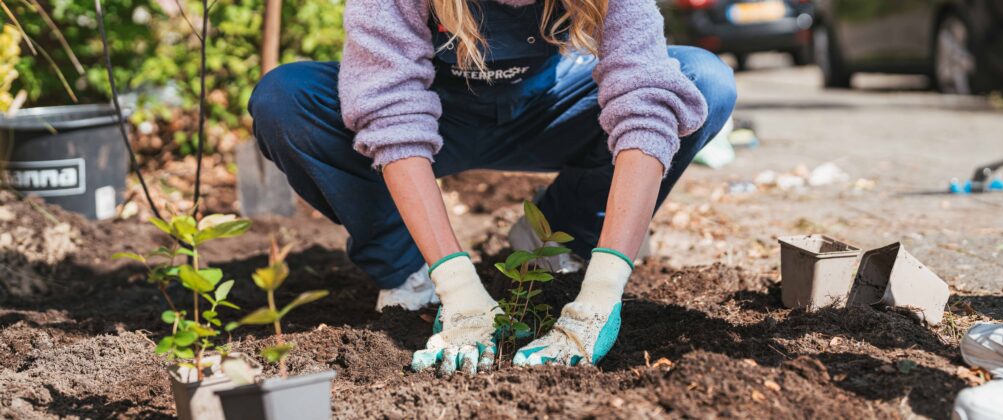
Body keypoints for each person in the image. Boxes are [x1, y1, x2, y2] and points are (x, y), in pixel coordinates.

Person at [249, 0, 736, 375]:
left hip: (552, 108)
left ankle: (558, 238)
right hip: (439, 116)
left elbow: (643, 100)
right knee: (285, 100)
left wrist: (602, 294)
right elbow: (390, 108)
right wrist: (457, 287)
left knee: (700, 81)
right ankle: (406, 270)